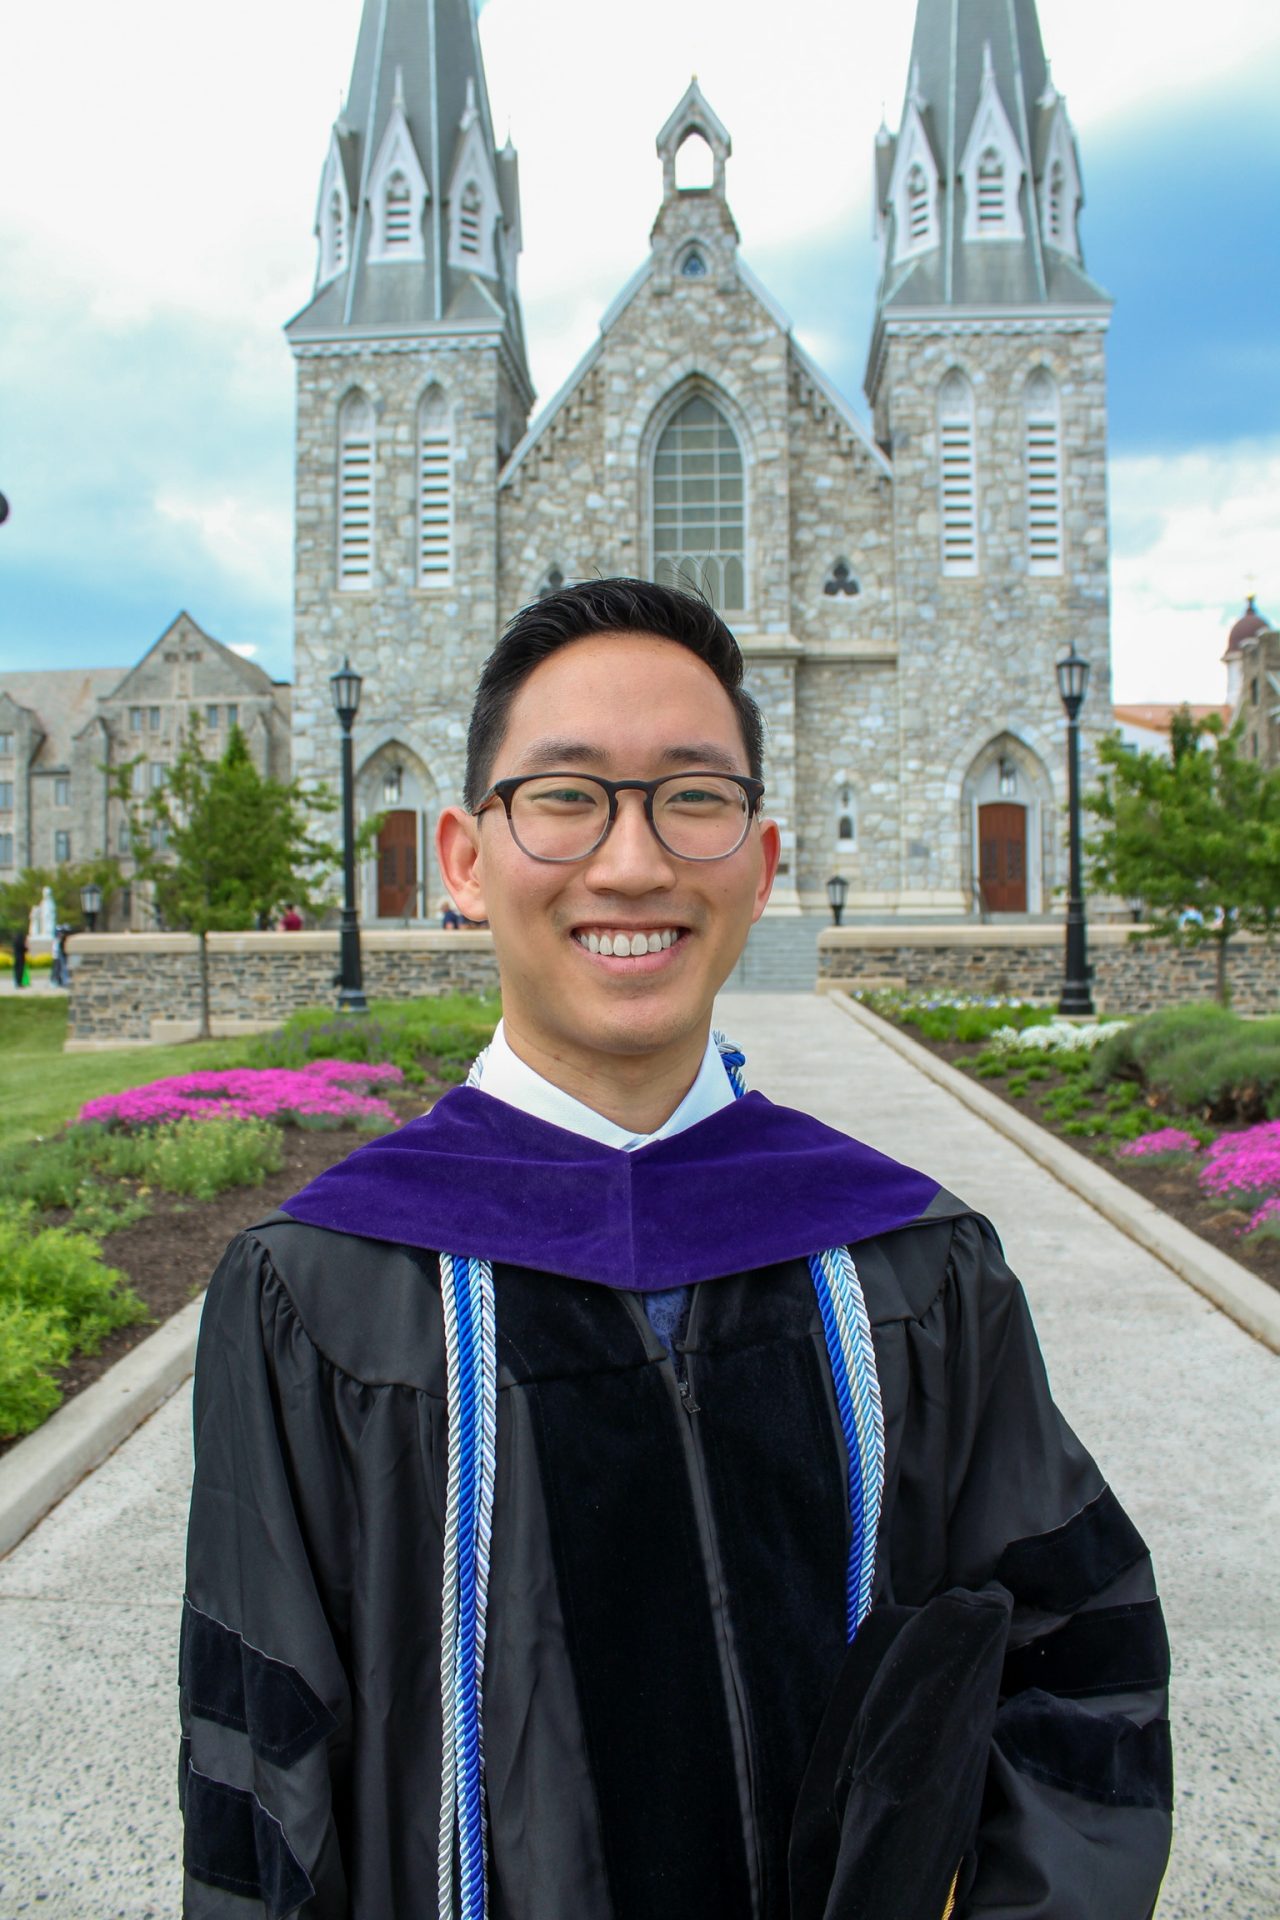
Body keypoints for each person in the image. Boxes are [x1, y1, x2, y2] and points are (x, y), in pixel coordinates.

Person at [180, 581, 1172, 1919]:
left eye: (693, 797)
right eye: (567, 794)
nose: (634, 863)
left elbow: (1073, 1676)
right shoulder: (320, 1294)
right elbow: (260, 1783)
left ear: (760, 868)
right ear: (465, 861)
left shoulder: (916, 1271)